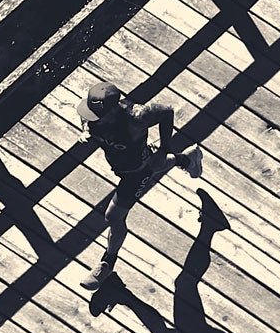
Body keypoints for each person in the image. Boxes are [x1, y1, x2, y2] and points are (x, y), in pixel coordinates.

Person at [78, 80, 199, 296]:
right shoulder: (94, 115)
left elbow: (166, 111)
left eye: (98, 116)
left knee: (113, 217)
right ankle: (188, 159)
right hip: (124, 165)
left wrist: (164, 148)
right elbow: (85, 117)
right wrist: (85, 130)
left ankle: (107, 263)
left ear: (114, 109)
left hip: (136, 172)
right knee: (158, 165)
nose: (93, 120)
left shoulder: (136, 117)